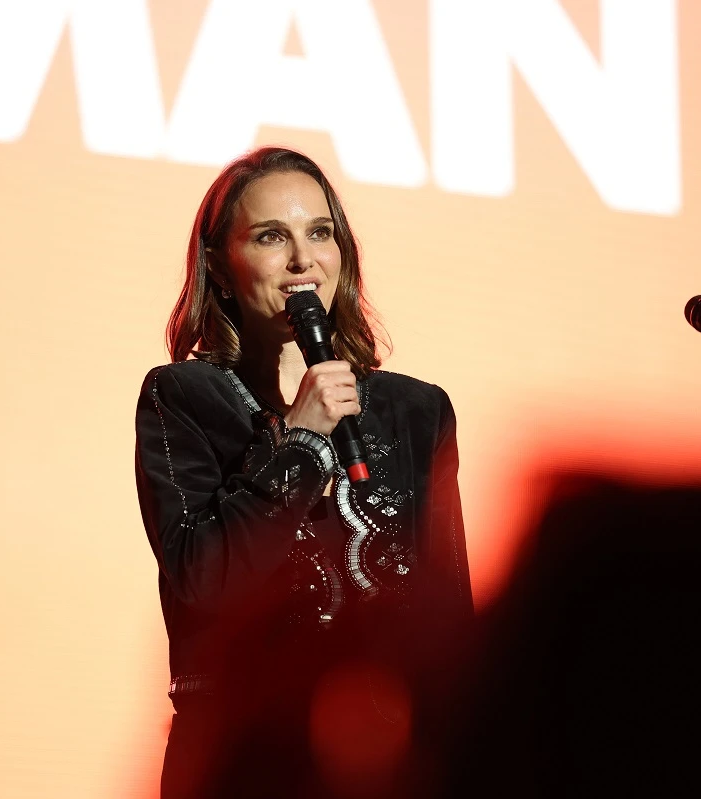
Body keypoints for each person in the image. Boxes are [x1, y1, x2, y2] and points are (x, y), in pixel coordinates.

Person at [134, 147, 473, 798]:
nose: (302, 259)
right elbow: (204, 578)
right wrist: (302, 440)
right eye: (271, 236)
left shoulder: (418, 411)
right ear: (220, 267)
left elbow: (450, 613)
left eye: (320, 232)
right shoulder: (182, 397)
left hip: (392, 763)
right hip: (242, 761)